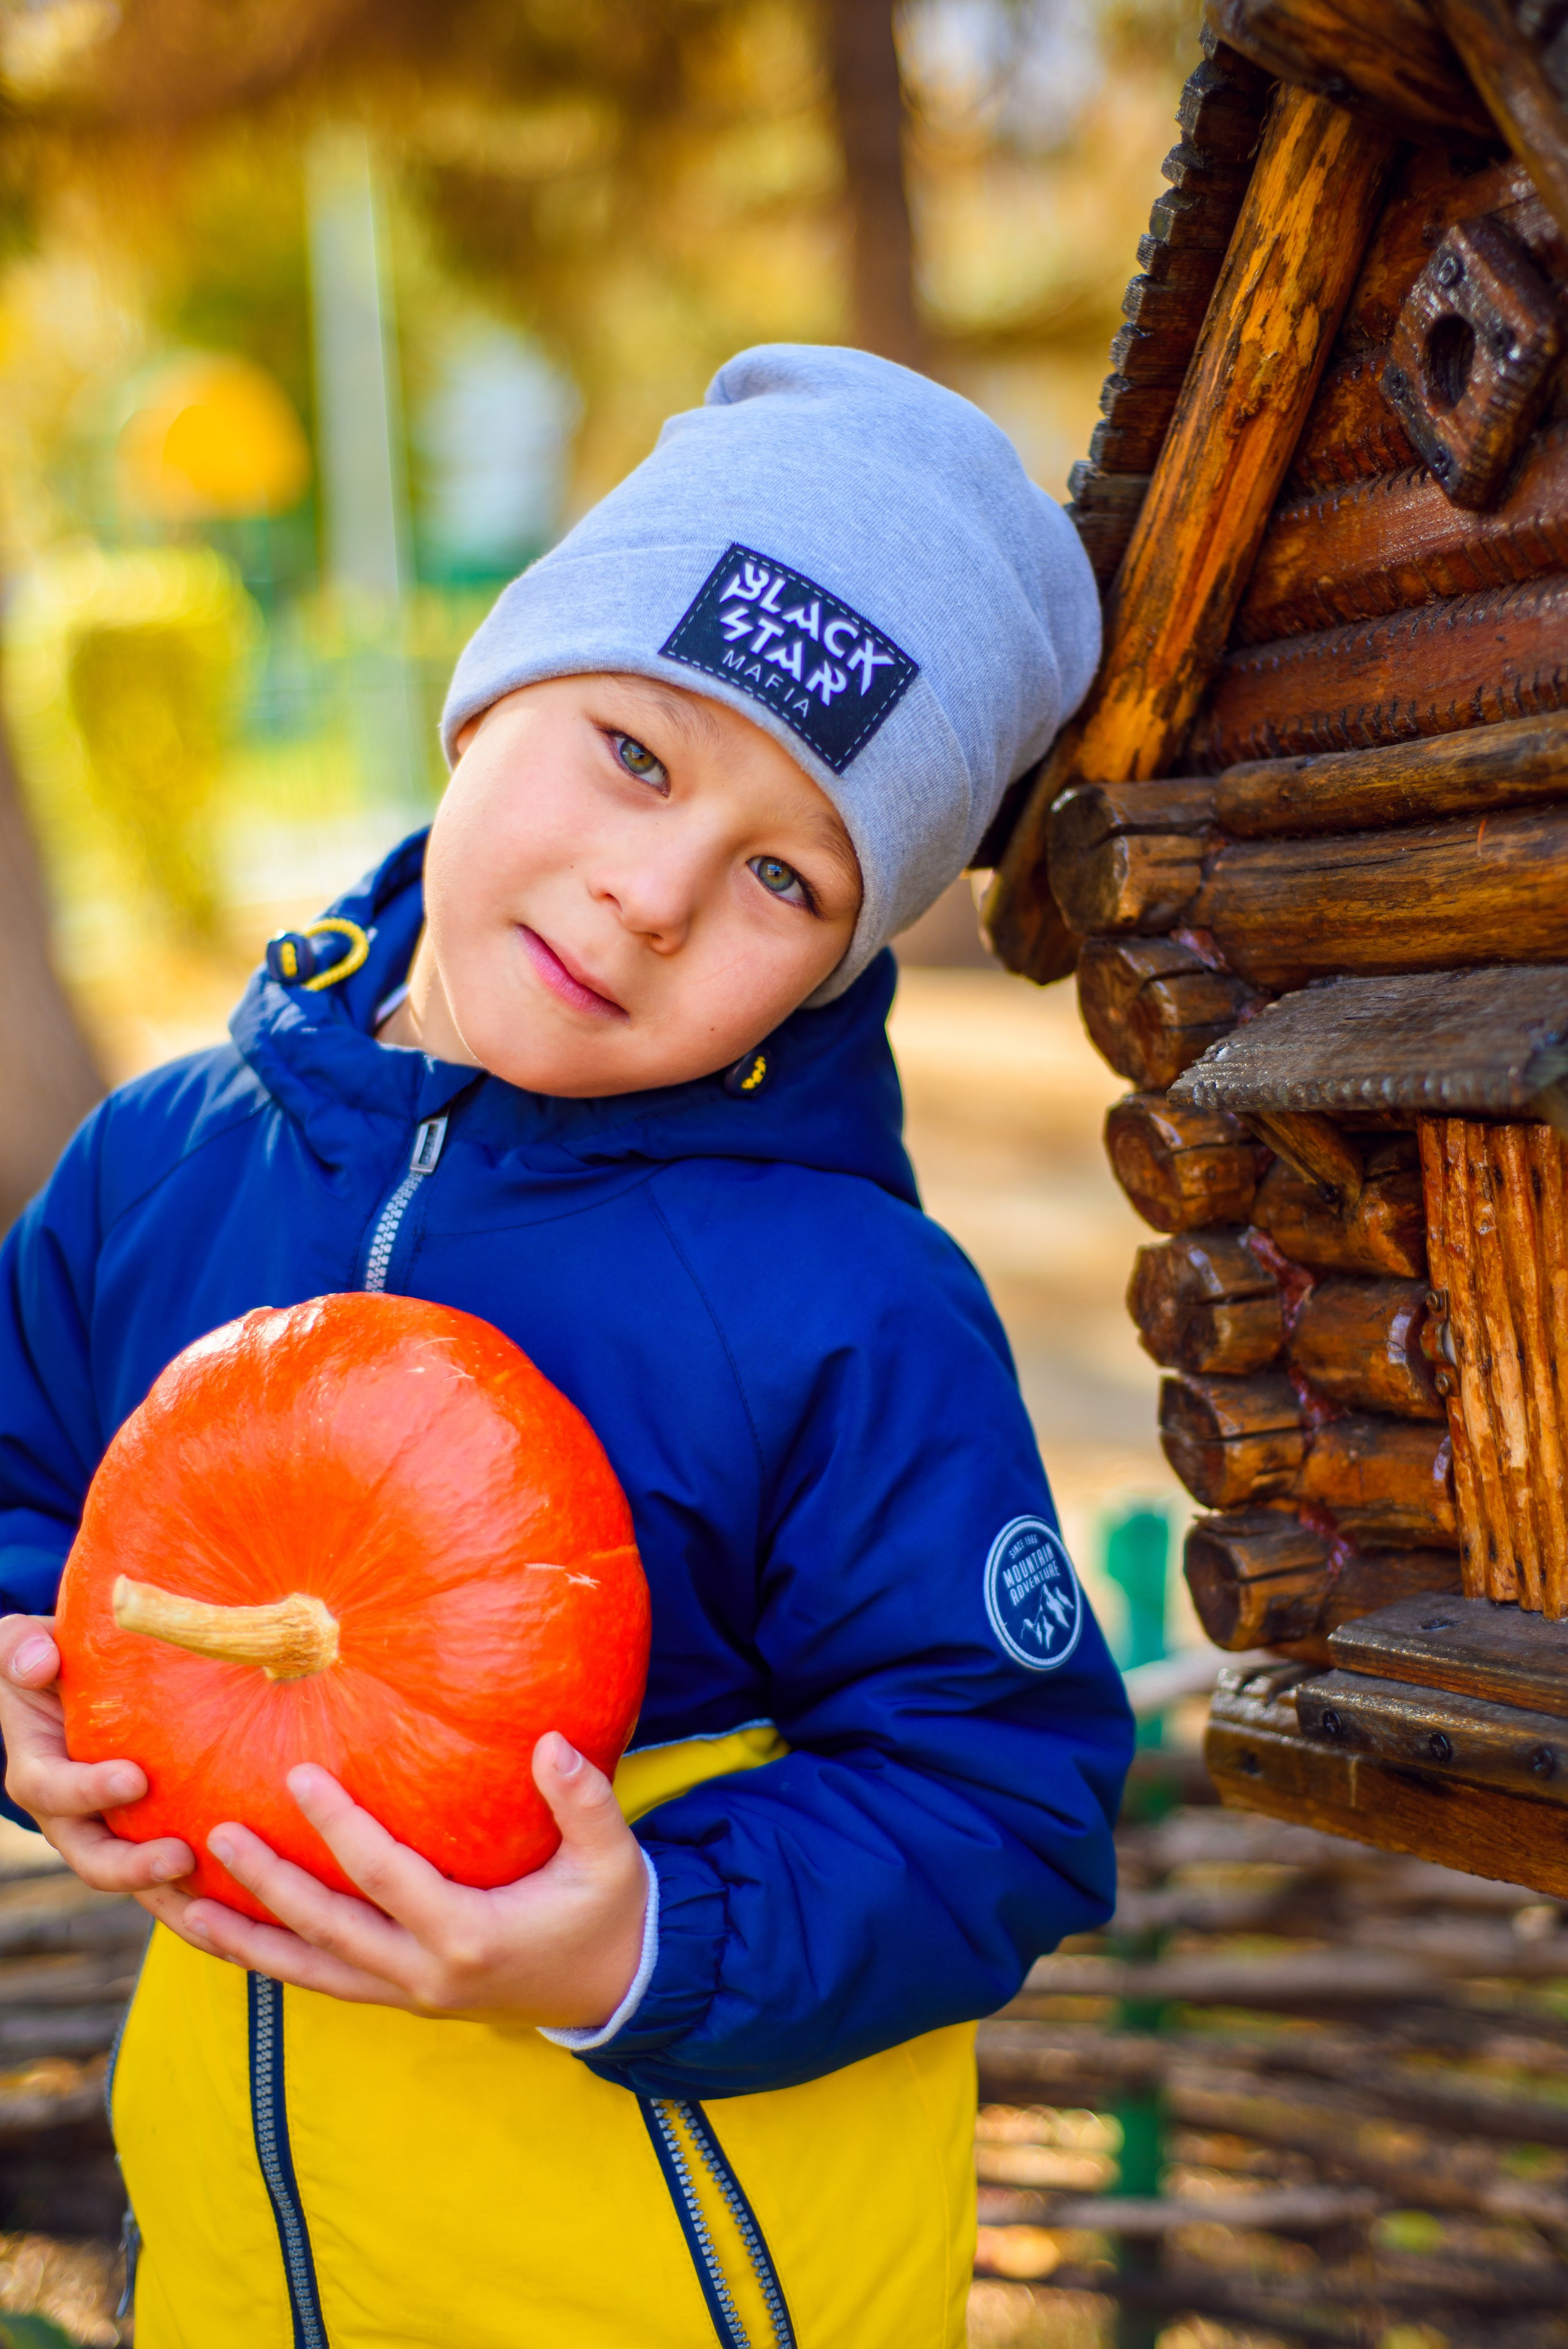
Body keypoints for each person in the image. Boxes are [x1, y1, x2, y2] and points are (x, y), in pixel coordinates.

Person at [0, 344, 1131, 2348]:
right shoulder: (160, 1166)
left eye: (786, 876)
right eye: (636, 750)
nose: (651, 891)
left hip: (679, 2285)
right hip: (241, 2279)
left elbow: (1001, 1792)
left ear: (847, 958)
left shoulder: (846, 1306)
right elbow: (21, 1504)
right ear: (499, 680)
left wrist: (646, 1935)